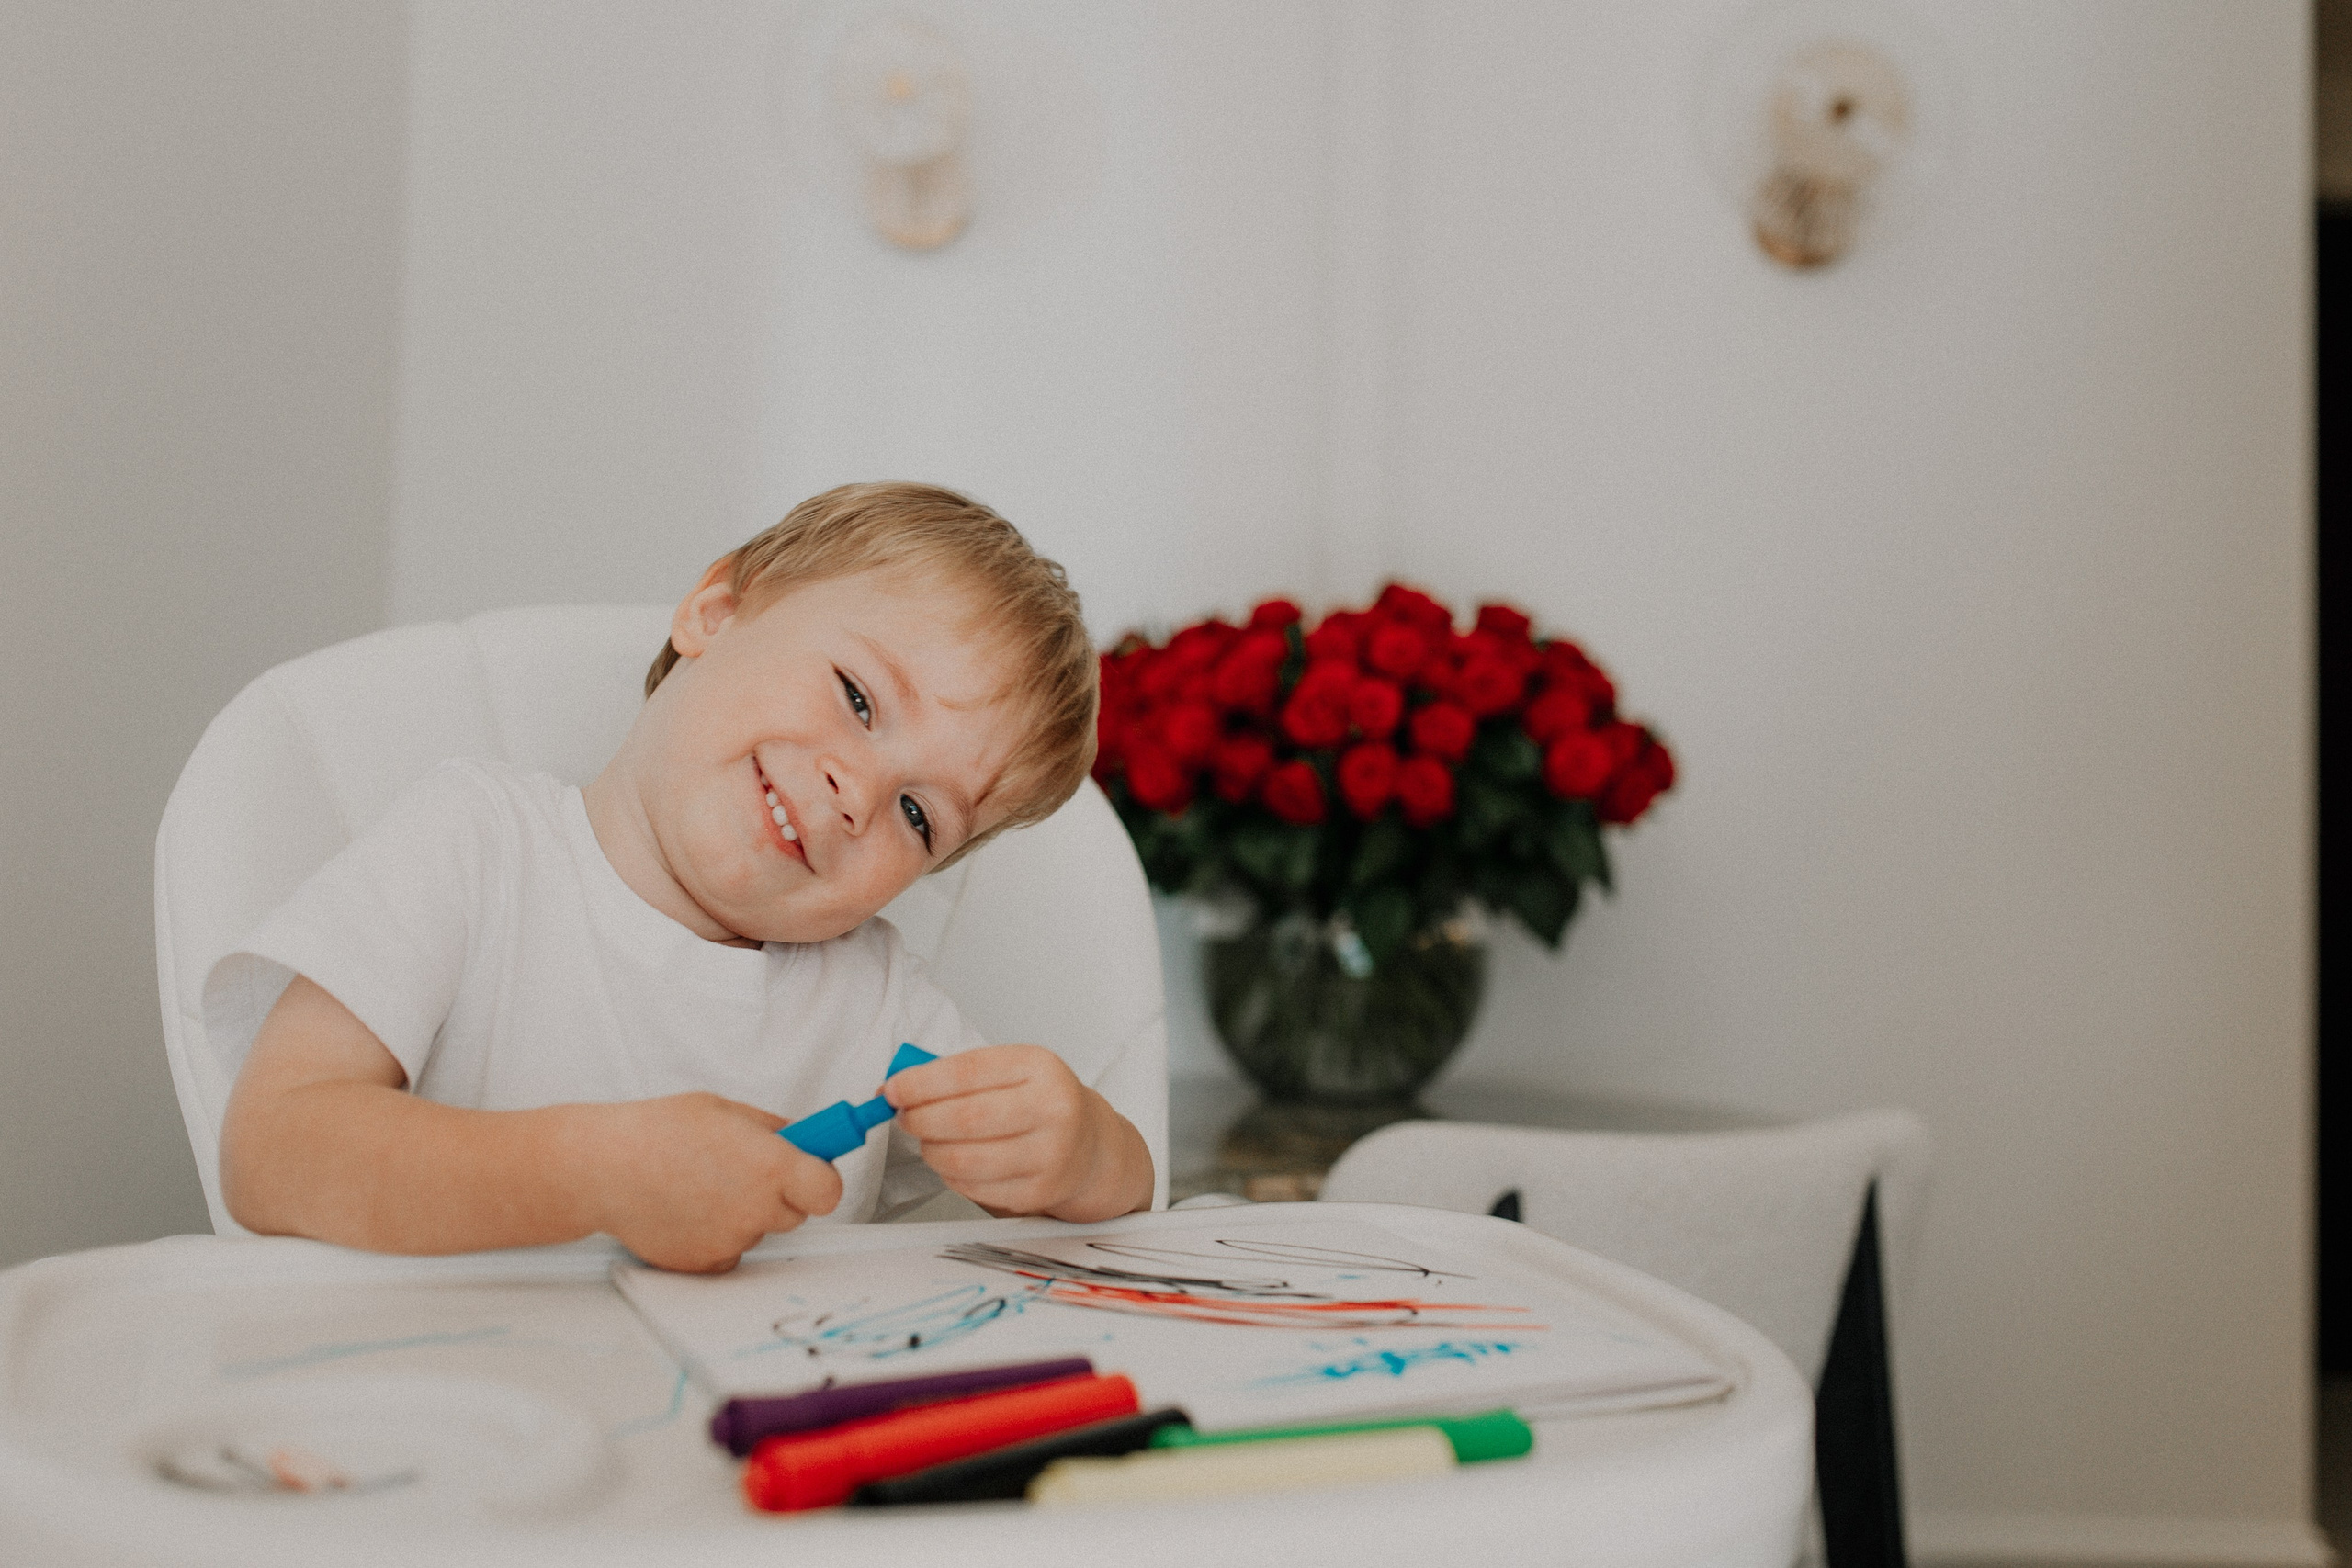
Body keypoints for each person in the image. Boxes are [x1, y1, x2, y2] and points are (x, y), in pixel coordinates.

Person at [212, 482, 1153, 1272]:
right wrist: (595, 1173)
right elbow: (273, 1151)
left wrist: (1085, 1155)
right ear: (716, 612)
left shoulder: (876, 1005)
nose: (858, 791)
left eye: (919, 816)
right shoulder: (475, 850)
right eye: (858, 698)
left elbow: (1114, 1217)